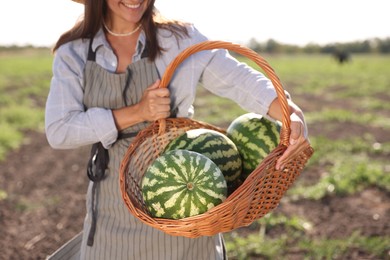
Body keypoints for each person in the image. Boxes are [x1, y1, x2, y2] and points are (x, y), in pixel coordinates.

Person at [45, 0, 310, 259]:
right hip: (113, 201)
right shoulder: (75, 51)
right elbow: (60, 129)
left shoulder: (180, 39)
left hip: (189, 198)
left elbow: (238, 79)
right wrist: (138, 112)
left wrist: (289, 113)